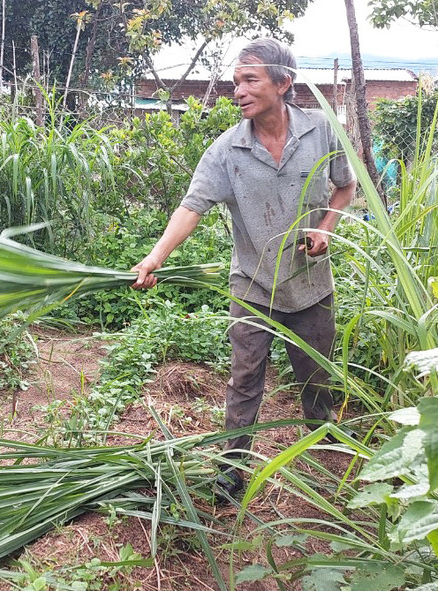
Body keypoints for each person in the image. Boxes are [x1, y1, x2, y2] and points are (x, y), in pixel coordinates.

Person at [131, 38, 356, 497]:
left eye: (250, 80)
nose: (239, 90)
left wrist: (327, 228)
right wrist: (156, 257)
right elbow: (191, 208)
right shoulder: (226, 151)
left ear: (283, 83)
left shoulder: (320, 131)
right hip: (252, 286)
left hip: (310, 285)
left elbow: (345, 188)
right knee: (244, 379)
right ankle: (232, 470)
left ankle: (324, 437)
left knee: (316, 372)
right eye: (236, 82)